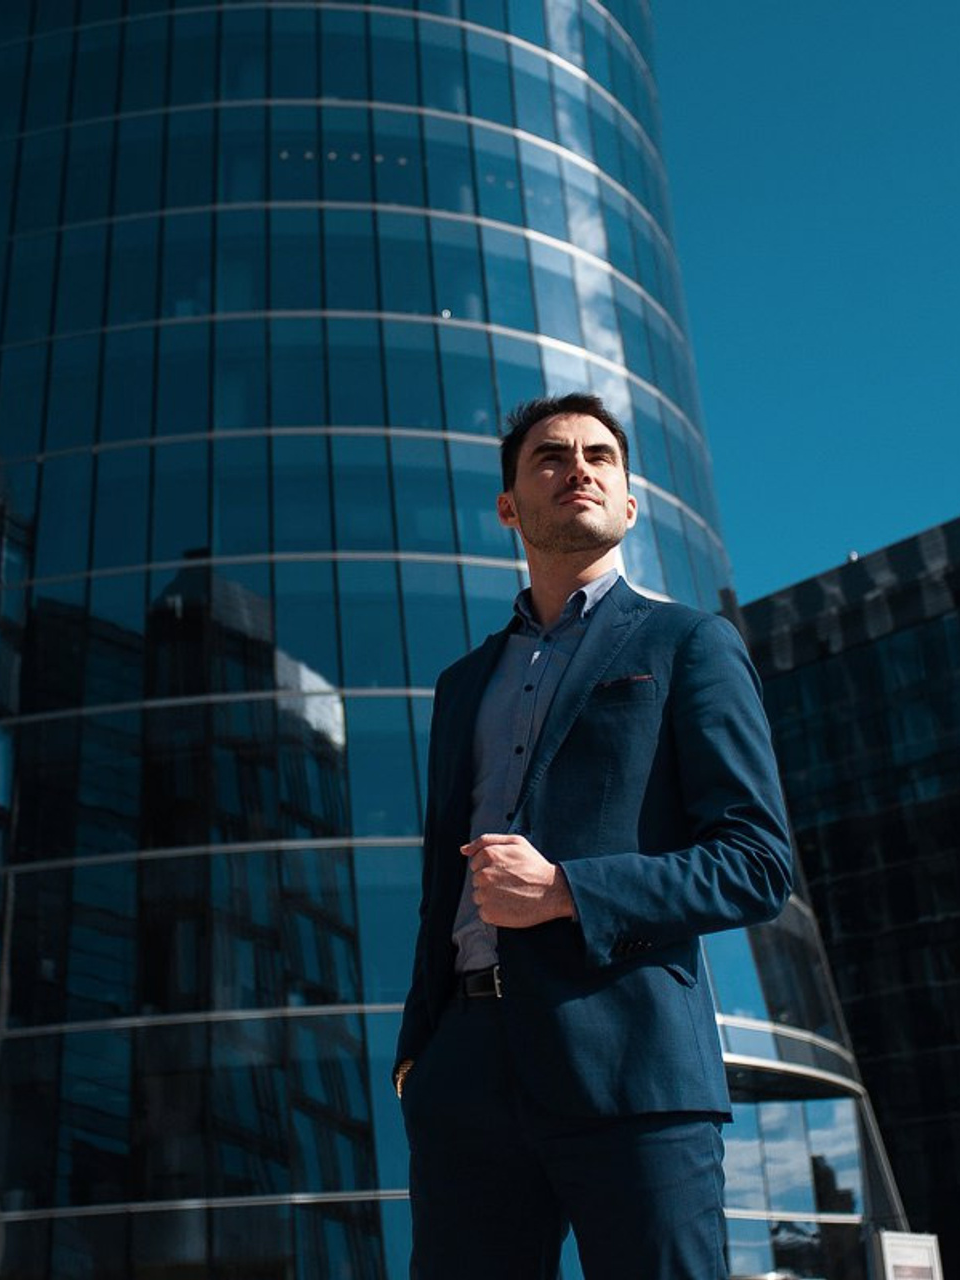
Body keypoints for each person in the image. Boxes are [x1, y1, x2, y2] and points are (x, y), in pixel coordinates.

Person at [393, 393, 793, 1279]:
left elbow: (758, 864)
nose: (579, 467)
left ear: (629, 501)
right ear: (509, 507)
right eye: (550, 456)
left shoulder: (690, 643)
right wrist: (423, 1054)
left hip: (630, 1065)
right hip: (465, 1071)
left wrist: (570, 890)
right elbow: (438, 884)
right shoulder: (462, 685)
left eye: (601, 457)